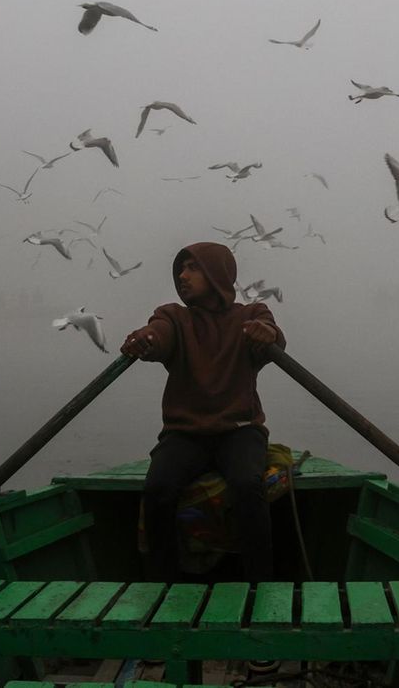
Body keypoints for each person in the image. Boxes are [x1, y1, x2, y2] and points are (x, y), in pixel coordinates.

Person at [121, 242, 284, 582]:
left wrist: (265, 334)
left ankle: (260, 582)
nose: (182, 275)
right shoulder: (174, 317)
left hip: (240, 429)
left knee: (247, 484)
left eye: (193, 267)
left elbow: (273, 337)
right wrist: (145, 339)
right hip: (185, 434)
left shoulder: (250, 315)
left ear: (217, 274)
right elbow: (159, 334)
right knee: (157, 489)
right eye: (181, 268)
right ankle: (162, 582)